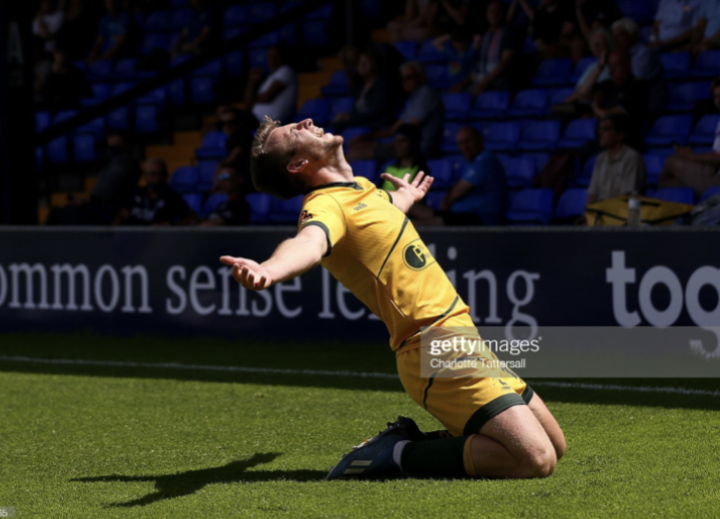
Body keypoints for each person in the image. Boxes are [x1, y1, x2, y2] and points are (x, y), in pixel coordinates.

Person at [220, 116, 565, 481]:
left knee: (555, 445)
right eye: (295, 130)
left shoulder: (362, 189)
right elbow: (310, 242)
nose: (306, 121)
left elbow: (379, 212)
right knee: (535, 459)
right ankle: (399, 453)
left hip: (463, 336)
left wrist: (405, 198)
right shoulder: (324, 206)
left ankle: (410, 444)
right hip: (432, 348)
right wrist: (271, 269)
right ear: (297, 165)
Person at [347, 61, 444, 161]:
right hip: (404, 144)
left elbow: (410, 129)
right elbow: (393, 130)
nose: (405, 81)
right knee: (358, 145)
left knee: (355, 153)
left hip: (417, 149)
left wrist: (382, 144)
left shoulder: (426, 94)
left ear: (421, 76)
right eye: (402, 78)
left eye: (409, 77)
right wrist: (366, 136)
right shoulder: (413, 97)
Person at [410, 126, 506, 225]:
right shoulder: (469, 164)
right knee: (408, 206)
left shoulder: (485, 159)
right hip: (458, 215)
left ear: (479, 139)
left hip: (477, 219)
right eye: (461, 143)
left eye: (468, 141)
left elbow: (456, 193)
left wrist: (447, 202)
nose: (465, 147)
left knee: (413, 226)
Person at [47, 131, 142, 225]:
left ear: (127, 146)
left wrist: (84, 201)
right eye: (110, 147)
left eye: (116, 147)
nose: (112, 150)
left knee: (57, 214)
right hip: (99, 208)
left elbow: (103, 195)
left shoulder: (125, 165)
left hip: (109, 212)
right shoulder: (111, 164)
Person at [659, 76, 720, 197]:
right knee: (672, 179)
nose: (718, 100)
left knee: (670, 163)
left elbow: (719, 158)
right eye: (716, 96)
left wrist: (689, 156)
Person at [113, 158, 197, 226]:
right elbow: (123, 215)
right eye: (153, 174)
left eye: (160, 174)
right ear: (146, 175)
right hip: (133, 238)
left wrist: (170, 225)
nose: (157, 178)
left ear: (166, 175)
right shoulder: (136, 194)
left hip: (158, 240)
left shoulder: (172, 197)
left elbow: (192, 219)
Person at [611, 17, 667, 114]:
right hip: (632, 103)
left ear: (633, 35)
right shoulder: (620, 54)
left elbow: (637, 86)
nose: (616, 40)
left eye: (620, 35)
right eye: (614, 36)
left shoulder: (643, 53)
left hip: (649, 104)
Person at [591, 50, 647, 148]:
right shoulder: (606, 85)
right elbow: (581, 93)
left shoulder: (636, 86)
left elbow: (615, 115)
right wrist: (600, 67)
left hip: (626, 144)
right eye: (609, 66)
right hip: (603, 141)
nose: (611, 71)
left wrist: (596, 108)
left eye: (616, 65)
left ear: (628, 64)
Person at [586, 114, 646, 205]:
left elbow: (626, 198)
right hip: (600, 213)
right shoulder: (600, 158)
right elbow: (593, 194)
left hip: (619, 214)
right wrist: (586, 215)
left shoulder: (632, 158)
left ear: (620, 135)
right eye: (600, 129)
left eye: (606, 129)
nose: (600, 133)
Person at [333, 49, 395, 132]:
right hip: (360, 120)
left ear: (374, 64)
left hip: (375, 122)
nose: (361, 66)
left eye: (365, 63)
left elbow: (377, 110)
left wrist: (350, 117)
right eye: (359, 64)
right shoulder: (361, 85)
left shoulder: (382, 83)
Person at [472, 0, 516, 96]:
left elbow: (506, 61)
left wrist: (484, 84)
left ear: (503, 13)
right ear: (487, 14)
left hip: (498, 82)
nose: (494, 15)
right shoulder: (485, 35)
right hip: (482, 79)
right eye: (491, 11)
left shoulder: (508, 33)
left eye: (497, 11)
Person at [244, 46, 298, 126]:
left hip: (266, 122)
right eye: (270, 57)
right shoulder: (271, 76)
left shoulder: (286, 70)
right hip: (256, 119)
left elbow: (267, 97)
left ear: (283, 57)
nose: (273, 59)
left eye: (276, 56)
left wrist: (252, 99)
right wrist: (252, 81)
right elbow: (247, 104)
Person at [564, 27, 613, 104]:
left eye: (600, 43)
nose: (596, 46)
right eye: (593, 43)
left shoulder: (615, 64)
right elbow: (579, 91)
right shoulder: (592, 66)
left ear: (609, 44)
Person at [379, 124, 431, 191]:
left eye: (403, 141)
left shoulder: (421, 171)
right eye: (396, 141)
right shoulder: (388, 168)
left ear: (414, 143)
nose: (398, 145)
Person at [88, 0, 138, 64]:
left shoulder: (125, 17)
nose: (111, 4)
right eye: (108, 2)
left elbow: (121, 43)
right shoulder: (104, 19)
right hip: (104, 52)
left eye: (113, 1)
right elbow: (99, 41)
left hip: (120, 54)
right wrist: (94, 55)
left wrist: (104, 57)